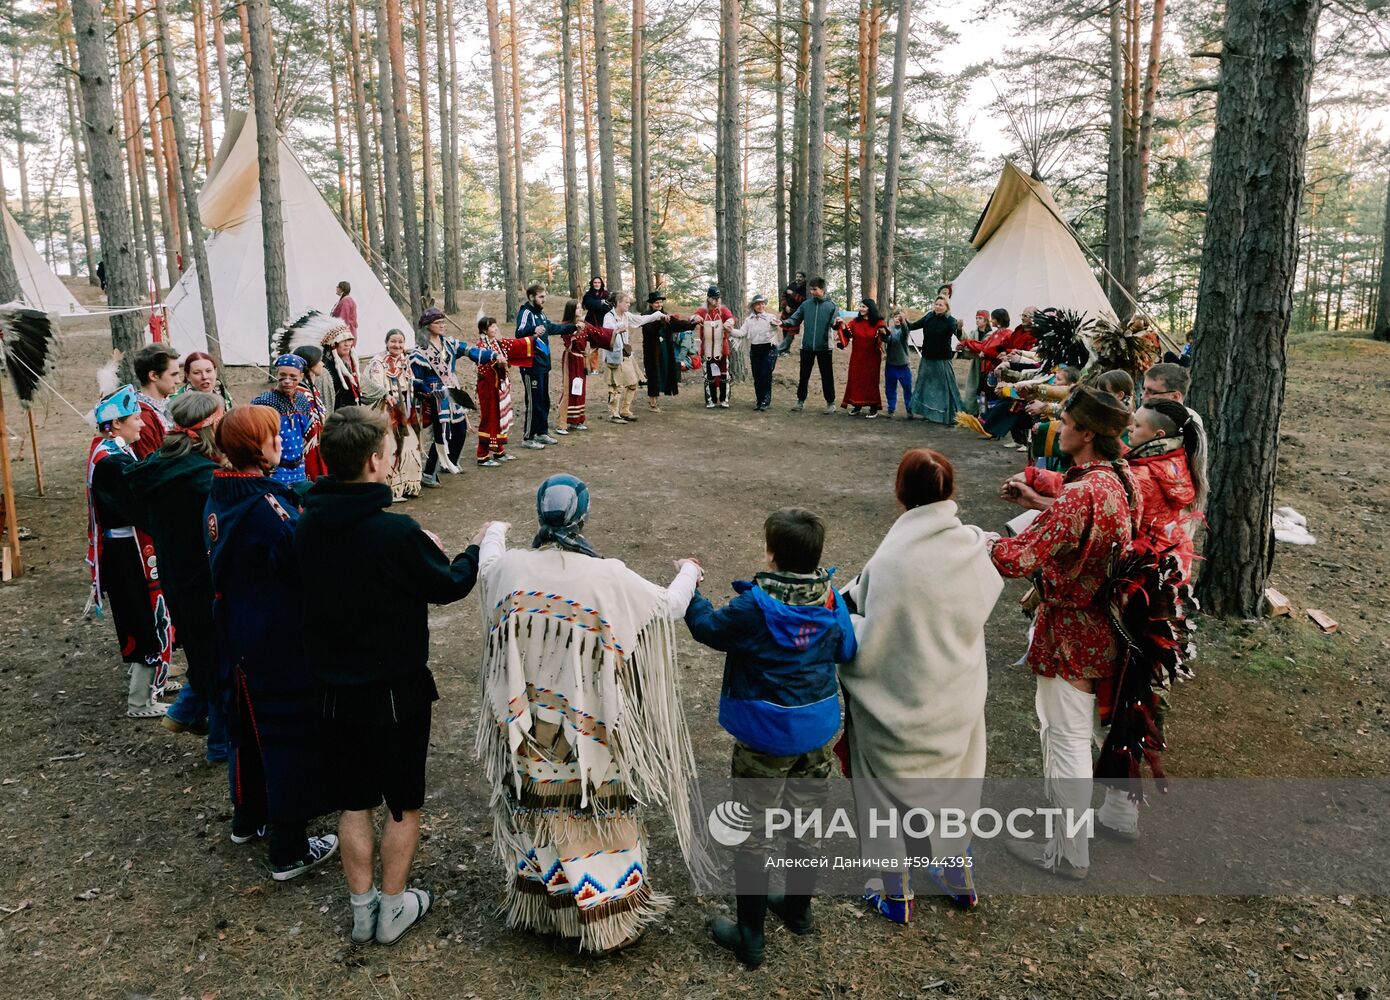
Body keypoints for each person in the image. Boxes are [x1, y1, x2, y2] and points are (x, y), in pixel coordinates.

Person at [477, 475, 705, 955]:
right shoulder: (608, 577)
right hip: (587, 728)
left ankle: (546, 910)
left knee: (538, 811)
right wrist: (689, 570)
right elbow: (668, 607)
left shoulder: (512, 569)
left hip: (528, 725)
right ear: (582, 518)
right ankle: (606, 919)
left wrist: (494, 529)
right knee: (590, 812)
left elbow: (488, 564)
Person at [296, 406, 486, 945]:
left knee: (354, 801)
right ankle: (394, 907)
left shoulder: (306, 525)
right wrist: (477, 548)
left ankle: (363, 910)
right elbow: (448, 584)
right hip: (396, 690)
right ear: (377, 461)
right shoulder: (395, 533)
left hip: (333, 687)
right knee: (403, 799)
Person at [683, 508, 855, 968]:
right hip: (816, 728)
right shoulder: (830, 600)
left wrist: (692, 594)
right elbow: (847, 648)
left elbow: (707, 628)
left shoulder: (755, 606)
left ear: (772, 554)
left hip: (765, 735)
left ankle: (751, 936)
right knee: (808, 820)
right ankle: (798, 912)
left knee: (753, 834)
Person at [839, 450, 1002, 920]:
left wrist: (843, 617)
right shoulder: (973, 546)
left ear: (900, 493)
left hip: (900, 698)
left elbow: (872, 638)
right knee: (957, 780)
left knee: (881, 786)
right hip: (956, 695)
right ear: (949, 492)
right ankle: (956, 873)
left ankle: (894, 891)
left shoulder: (892, 561)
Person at [990, 386, 1140, 878]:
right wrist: (1039, 503)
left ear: (1088, 433)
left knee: (1066, 740)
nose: (1060, 427)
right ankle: (1075, 840)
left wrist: (979, 540)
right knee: (1079, 734)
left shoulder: (1083, 493)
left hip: (1070, 630)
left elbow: (1020, 558)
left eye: (1067, 421)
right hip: (1103, 623)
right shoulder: (1121, 479)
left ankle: (1068, 853)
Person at [206, 405, 339, 880]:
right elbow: (301, 555)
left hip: (240, 631)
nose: (281, 440)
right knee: (288, 735)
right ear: (254, 448)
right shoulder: (264, 508)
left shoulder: (222, 493)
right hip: (275, 639)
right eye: (272, 435)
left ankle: (249, 815)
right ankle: (289, 847)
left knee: (249, 726)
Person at [125, 390, 229, 759]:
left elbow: (139, 513)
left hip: (175, 573)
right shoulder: (203, 479)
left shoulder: (154, 467)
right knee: (218, 659)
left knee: (204, 653)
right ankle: (220, 744)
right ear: (212, 428)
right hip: (204, 577)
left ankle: (185, 711)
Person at [86, 384, 173, 719]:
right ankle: (140, 701)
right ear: (116, 424)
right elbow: (132, 506)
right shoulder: (112, 462)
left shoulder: (111, 452)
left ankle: (152, 686)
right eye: (135, 417)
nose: (141, 423)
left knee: (143, 614)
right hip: (128, 551)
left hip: (127, 547)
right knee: (141, 616)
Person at [1125, 399, 1206, 580]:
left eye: (1137, 425)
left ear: (1157, 435)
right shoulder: (1178, 461)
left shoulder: (1142, 476)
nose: (1129, 428)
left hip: (1143, 570)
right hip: (1172, 559)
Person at [362, 329, 425, 497]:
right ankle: (390, 488)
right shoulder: (378, 362)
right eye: (393, 341)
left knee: (410, 444)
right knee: (391, 446)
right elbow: (373, 385)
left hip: (405, 409)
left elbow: (410, 384)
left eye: (400, 342)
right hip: (386, 411)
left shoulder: (405, 360)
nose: (397, 345)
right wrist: (386, 395)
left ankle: (408, 485)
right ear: (386, 342)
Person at [514, 283, 577, 447]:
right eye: (541, 296)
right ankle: (528, 438)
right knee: (533, 402)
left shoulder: (541, 314)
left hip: (543, 365)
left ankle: (541, 433)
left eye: (545, 296)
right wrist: (534, 329)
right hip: (530, 365)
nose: (544, 299)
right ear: (531, 297)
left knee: (544, 400)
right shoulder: (525, 312)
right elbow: (519, 333)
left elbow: (552, 328)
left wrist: (573, 327)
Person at [411, 308, 469, 482]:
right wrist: (429, 393)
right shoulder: (419, 352)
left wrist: (494, 355)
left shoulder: (449, 344)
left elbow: (471, 351)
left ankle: (449, 462)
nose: (442, 325)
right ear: (428, 326)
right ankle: (429, 473)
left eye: (443, 322)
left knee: (460, 430)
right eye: (438, 323)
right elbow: (416, 381)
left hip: (453, 392)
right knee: (441, 434)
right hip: (436, 397)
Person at [249, 355, 316, 487]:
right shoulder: (264, 402)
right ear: (276, 373)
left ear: (301, 376)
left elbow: (306, 434)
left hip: (299, 468)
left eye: (293, 376)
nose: (287, 380)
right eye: (283, 375)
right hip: (274, 471)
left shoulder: (302, 400)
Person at [466, 317, 521, 465]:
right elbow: (484, 368)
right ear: (484, 330)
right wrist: (498, 363)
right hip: (487, 388)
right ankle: (482, 455)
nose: (495, 328)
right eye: (491, 326)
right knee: (488, 419)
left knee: (498, 417)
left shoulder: (495, 343)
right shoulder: (481, 347)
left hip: (497, 387)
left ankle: (498, 450)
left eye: (495, 325)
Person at [601, 291, 664, 422]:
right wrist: (618, 327)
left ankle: (625, 410)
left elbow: (641, 320)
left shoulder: (626, 315)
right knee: (616, 385)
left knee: (633, 383)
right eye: (627, 302)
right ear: (618, 303)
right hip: (614, 356)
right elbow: (606, 330)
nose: (629, 304)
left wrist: (658, 315)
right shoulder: (609, 316)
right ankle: (614, 414)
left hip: (626, 354)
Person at [901, 296, 963, 425]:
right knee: (925, 385)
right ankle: (927, 412)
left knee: (944, 387)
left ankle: (949, 415)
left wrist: (959, 328)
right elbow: (912, 326)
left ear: (947, 307)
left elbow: (959, 336)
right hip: (927, 357)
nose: (938, 307)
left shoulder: (951, 321)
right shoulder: (929, 317)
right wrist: (903, 321)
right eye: (937, 304)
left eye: (941, 305)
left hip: (943, 359)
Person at [783, 277, 842, 413]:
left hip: (825, 347)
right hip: (807, 347)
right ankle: (800, 401)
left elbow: (834, 325)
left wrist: (838, 323)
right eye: (811, 289)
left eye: (815, 289)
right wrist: (784, 323)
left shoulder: (832, 306)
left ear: (823, 290)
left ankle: (830, 402)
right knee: (804, 375)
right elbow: (795, 318)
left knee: (827, 375)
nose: (812, 292)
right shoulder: (805, 305)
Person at [641, 291, 695, 407]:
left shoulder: (665, 315)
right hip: (652, 351)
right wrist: (660, 322)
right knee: (653, 374)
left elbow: (678, 324)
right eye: (656, 302)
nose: (659, 304)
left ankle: (657, 398)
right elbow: (648, 330)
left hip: (664, 348)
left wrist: (692, 324)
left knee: (664, 371)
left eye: (660, 302)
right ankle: (653, 401)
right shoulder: (645, 316)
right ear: (651, 304)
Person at [129, 343, 182, 458]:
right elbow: (151, 465)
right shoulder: (142, 416)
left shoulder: (167, 404)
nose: (178, 381)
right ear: (153, 375)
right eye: (173, 375)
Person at [839, 298, 887, 417]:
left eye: (864, 307)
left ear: (870, 308)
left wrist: (883, 332)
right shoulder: (855, 322)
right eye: (860, 306)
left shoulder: (878, 322)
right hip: (857, 357)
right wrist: (842, 325)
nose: (861, 309)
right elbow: (847, 333)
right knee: (856, 380)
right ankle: (857, 405)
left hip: (872, 357)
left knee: (871, 381)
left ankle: (873, 407)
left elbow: (884, 335)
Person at [693, 286, 737, 409]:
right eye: (714, 298)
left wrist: (730, 322)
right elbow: (693, 317)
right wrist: (696, 318)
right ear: (708, 299)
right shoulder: (703, 311)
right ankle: (710, 400)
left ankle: (724, 399)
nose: (716, 300)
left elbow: (732, 318)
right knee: (709, 376)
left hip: (722, 349)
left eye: (718, 298)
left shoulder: (723, 310)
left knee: (724, 375)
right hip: (707, 349)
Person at [293, 345, 332, 481]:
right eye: (319, 360)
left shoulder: (309, 388)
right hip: (307, 448)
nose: (322, 363)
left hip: (317, 446)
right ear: (310, 364)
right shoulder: (300, 393)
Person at [558, 300, 595, 429]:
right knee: (569, 389)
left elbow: (597, 332)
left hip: (581, 360)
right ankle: (562, 422)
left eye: (580, 308)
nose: (580, 310)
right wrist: (575, 332)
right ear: (571, 310)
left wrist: (613, 332)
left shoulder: (585, 324)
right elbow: (567, 338)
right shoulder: (566, 325)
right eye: (577, 308)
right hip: (571, 359)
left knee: (579, 389)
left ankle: (577, 420)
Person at [740, 295, 780, 411]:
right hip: (755, 349)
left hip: (769, 349)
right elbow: (742, 332)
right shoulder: (749, 320)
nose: (760, 306)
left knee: (765, 375)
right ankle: (759, 400)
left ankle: (765, 401)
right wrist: (730, 330)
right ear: (753, 306)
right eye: (758, 304)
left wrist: (774, 323)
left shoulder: (769, 317)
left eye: (762, 303)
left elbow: (774, 323)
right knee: (757, 376)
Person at [881, 311, 913, 419]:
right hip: (891, 365)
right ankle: (891, 408)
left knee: (907, 388)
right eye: (895, 317)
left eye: (900, 317)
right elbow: (887, 339)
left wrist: (904, 322)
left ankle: (909, 409)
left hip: (904, 365)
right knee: (890, 388)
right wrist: (883, 334)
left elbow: (905, 332)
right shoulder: (890, 330)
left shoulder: (905, 330)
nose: (897, 319)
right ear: (892, 318)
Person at [959, 310, 991, 415]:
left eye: (980, 318)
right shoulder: (973, 333)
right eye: (976, 318)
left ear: (986, 320)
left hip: (987, 367)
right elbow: (966, 341)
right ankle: (972, 412)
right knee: (972, 389)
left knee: (984, 391)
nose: (977, 320)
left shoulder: (991, 335)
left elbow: (983, 347)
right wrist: (959, 330)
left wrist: (969, 345)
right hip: (976, 366)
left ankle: (984, 413)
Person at [323, 325, 363, 410]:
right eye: (342, 340)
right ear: (333, 344)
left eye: (349, 340)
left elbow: (364, 383)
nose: (347, 344)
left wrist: (385, 394)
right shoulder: (325, 369)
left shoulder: (346, 364)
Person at [777, 270, 807, 353]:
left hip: (796, 313)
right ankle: (786, 350)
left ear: (804, 278)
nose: (798, 278)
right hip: (786, 311)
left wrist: (793, 294)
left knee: (791, 332)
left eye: (800, 277)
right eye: (797, 276)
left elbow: (802, 299)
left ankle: (780, 349)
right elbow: (783, 295)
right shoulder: (792, 285)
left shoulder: (805, 288)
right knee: (785, 329)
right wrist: (785, 306)